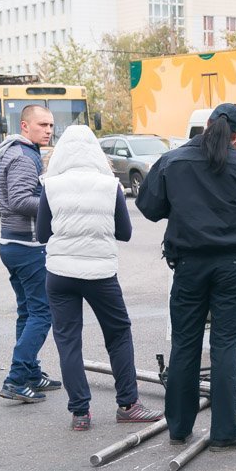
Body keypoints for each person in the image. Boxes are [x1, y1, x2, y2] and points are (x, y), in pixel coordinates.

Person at [137, 103, 236, 451]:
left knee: (185, 345)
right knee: (223, 347)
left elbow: (149, 207)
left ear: (205, 125)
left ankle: (178, 427)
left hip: (188, 267)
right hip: (231, 267)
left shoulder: (172, 161)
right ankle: (224, 431)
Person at [36, 125, 163, 430]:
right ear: (96, 151)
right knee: (118, 334)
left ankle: (80, 413)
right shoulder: (110, 186)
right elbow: (125, 232)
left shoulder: (50, 186)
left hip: (60, 274)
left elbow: (42, 234)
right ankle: (128, 404)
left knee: (68, 341)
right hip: (101, 274)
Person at [0, 104, 61, 403]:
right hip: (26, 246)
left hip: (13, 243)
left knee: (28, 311)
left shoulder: (16, 151)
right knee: (42, 312)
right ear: (25, 126)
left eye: (50, 126)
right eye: (42, 125)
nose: (48, 130)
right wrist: (54, 204)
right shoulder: (24, 156)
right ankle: (16, 378)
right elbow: (21, 200)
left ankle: (32, 373)